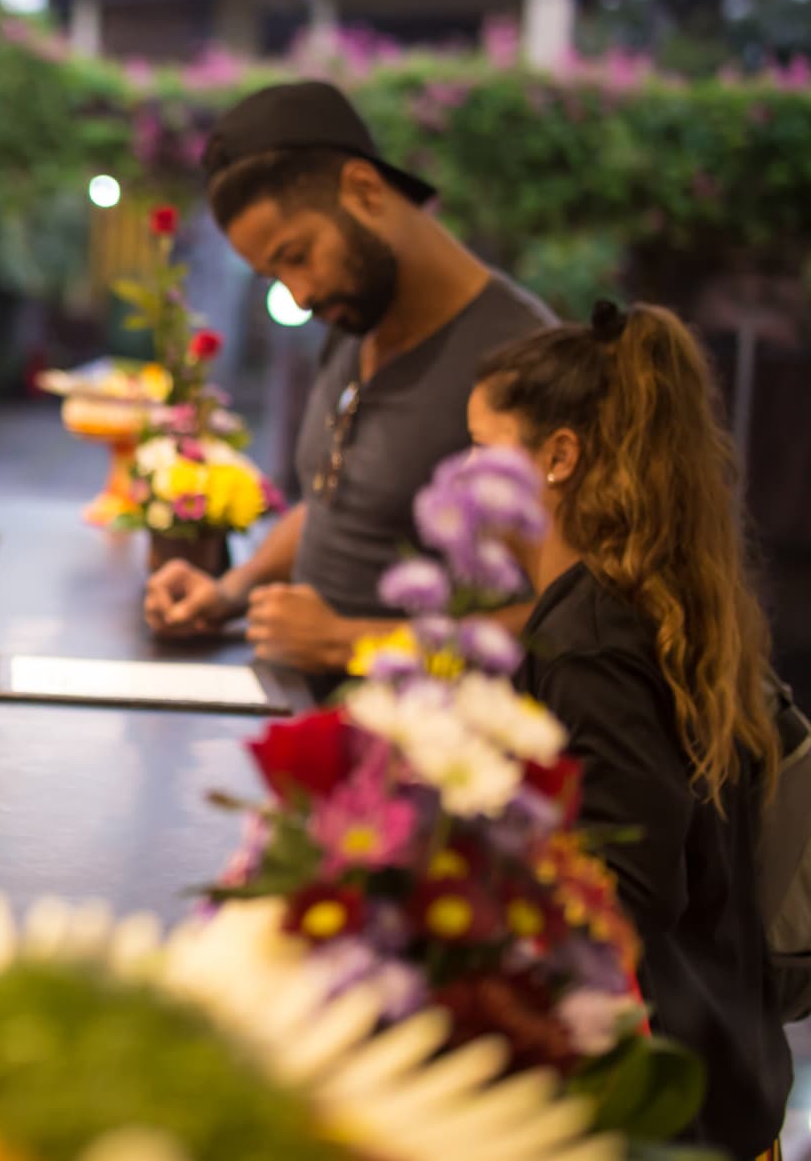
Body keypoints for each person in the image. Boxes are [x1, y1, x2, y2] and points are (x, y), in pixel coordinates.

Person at [469, 300, 789, 1158]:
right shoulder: (643, 600)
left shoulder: (589, 639)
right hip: (727, 1070)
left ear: (559, 457)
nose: (460, 475)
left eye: (480, 448)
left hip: (671, 1101)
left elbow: (629, 885)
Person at [145, 80, 553, 677]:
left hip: (418, 724)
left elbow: (570, 617)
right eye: (274, 275)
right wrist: (231, 590)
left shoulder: (524, 359)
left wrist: (349, 643)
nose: (298, 295)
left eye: (297, 255)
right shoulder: (356, 319)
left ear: (364, 189)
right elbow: (334, 503)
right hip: (294, 697)